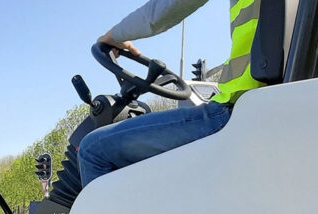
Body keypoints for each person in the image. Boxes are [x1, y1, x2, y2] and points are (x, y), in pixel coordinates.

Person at [79, 0, 268, 186]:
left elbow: (167, 8)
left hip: (237, 107)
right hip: (261, 102)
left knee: (93, 151)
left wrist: (115, 35)